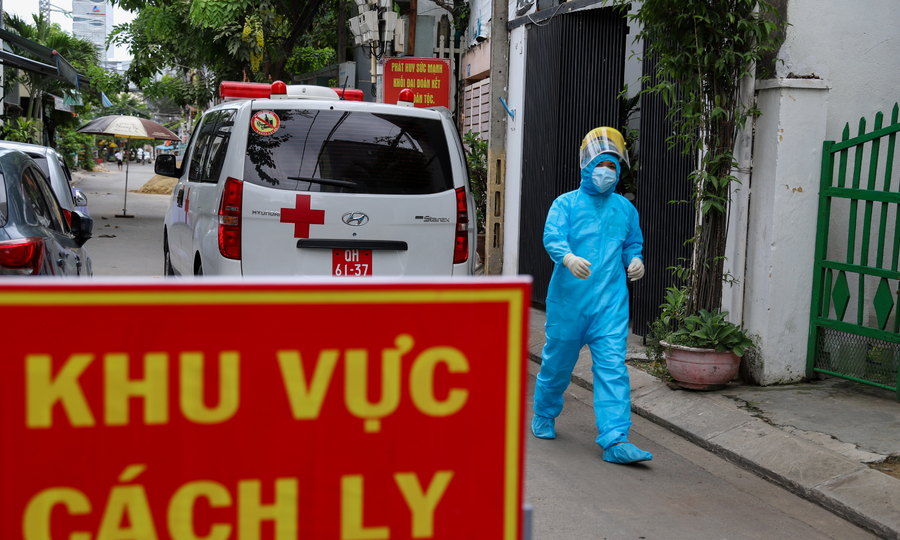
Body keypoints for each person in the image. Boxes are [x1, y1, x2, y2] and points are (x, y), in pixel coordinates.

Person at [531, 127, 652, 465]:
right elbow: (552, 236)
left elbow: (632, 243)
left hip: (610, 305)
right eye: (601, 164)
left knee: (613, 368)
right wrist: (567, 257)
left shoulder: (625, 209)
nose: (606, 171)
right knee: (557, 364)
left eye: (612, 165)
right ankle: (544, 413)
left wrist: (635, 259)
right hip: (569, 303)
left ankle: (615, 439)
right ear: (587, 165)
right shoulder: (566, 204)